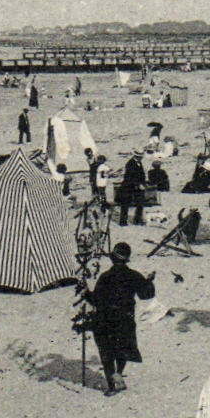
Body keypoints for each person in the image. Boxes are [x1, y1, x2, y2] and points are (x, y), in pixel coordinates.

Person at [88, 242, 156, 396]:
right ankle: (118, 373)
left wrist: (85, 292)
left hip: (105, 318)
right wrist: (149, 282)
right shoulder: (133, 275)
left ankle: (112, 382)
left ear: (112, 259)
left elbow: (95, 300)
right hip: (125, 318)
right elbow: (146, 295)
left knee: (106, 350)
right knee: (122, 349)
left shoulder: (105, 277)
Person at [117, 153, 146, 226]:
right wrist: (138, 184)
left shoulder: (139, 163)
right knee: (125, 204)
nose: (142, 158)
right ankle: (123, 221)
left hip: (138, 186)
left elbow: (142, 175)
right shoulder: (130, 163)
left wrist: (143, 184)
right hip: (128, 186)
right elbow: (130, 176)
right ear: (137, 156)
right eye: (140, 157)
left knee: (140, 203)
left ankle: (137, 219)